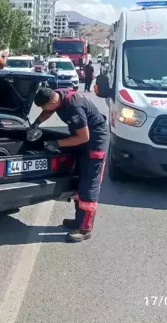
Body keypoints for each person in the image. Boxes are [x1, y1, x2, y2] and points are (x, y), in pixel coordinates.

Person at [32, 87, 109, 243]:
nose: (43, 110)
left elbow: (84, 137)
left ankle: (84, 228)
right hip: (82, 141)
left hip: (94, 143)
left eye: (43, 106)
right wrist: (35, 124)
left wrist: (57, 143)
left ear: (53, 101)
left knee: (89, 185)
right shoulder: (58, 97)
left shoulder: (74, 106)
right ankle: (78, 220)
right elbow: (49, 111)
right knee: (79, 182)